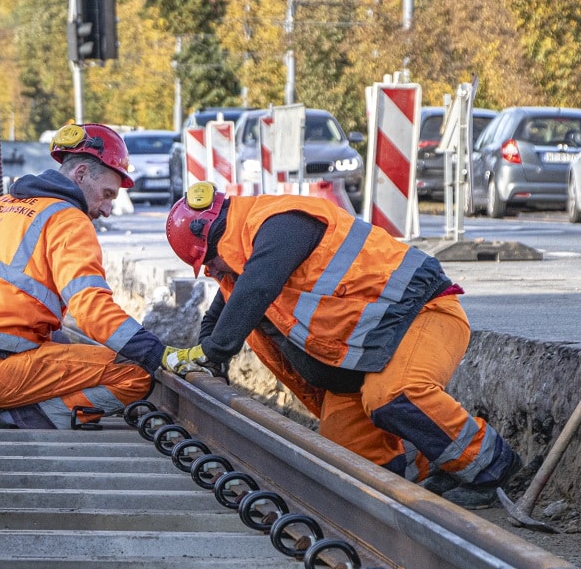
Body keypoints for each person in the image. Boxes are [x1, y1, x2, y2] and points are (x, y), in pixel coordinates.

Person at [164, 181, 522, 509]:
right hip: (360, 363)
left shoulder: (281, 224)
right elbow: (220, 313)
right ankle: (433, 466)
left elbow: (255, 290)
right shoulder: (241, 263)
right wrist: (205, 358)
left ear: (212, 240)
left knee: (394, 394)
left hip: (424, 315)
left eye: (210, 263)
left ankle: (490, 466)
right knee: (341, 466)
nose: (214, 271)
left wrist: (213, 353)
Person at [0, 123, 195, 430]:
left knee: (57, 340)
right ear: (80, 174)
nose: (107, 209)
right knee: (133, 373)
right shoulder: (68, 220)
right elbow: (92, 311)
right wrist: (156, 354)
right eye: (107, 194)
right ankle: (5, 420)